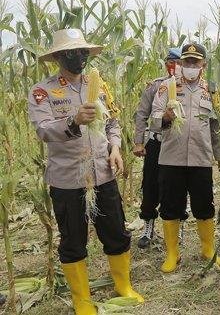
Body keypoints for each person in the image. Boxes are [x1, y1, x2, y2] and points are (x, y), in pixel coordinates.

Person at [28, 28, 143, 315]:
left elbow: (112, 122)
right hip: (68, 180)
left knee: (116, 232)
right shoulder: (43, 92)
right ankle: (82, 300)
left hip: (103, 174)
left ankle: (123, 286)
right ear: (57, 57)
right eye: (71, 53)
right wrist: (74, 120)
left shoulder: (100, 86)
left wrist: (115, 148)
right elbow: (43, 131)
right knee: (73, 240)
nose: (78, 57)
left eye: (82, 52)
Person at [150, 42, 220, 273]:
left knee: (204, 205)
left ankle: (207, 249)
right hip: (171, 158)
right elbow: (152, 122)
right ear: (180, 63)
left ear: (204, 64)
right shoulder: (166, 87)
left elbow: (217, 127)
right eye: (187, 61)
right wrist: (165, 117)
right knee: (171, 206)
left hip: (201, 158)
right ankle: (172, 253)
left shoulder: (212, 90)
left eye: (196, 62)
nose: (191, 65)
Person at [132, 47, 185, 248]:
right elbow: (141, 115)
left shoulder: (192, 88)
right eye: (171, 63)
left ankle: (177, 226)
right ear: (166, 65)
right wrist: (138, 142)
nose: (176, 67)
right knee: (150, 185)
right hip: (157, 141)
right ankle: (148, 225)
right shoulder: (155, 87)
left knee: (177, 186)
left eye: (180, 63)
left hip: (179, 144)